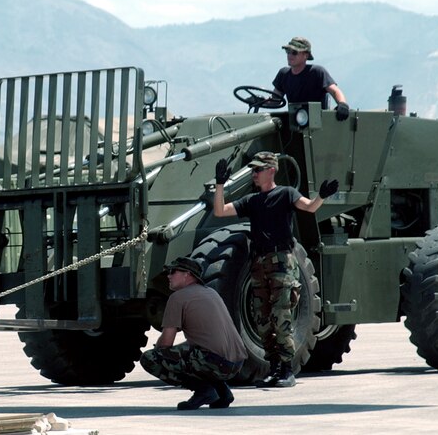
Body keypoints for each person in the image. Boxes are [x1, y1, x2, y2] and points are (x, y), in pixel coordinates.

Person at [213, 151, 338, 388]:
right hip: (259, 265)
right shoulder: (252, 201)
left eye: (258, 170)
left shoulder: (286, 194)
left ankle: (287, 370)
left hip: (282, 262)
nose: (254, 174)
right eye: (253, 170)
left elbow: (310, 208)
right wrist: (220, 184)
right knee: (263, 320)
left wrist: (322, 196)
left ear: (272, 170)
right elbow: (220, 211)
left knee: (281, 316)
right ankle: (274, 368)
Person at [140, 256, 247, 411]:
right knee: (192, 352)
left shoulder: (177, 298)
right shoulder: (211, 292)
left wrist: (159, 348)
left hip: (214, 362)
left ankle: (204, 391)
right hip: (236, 364)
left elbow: (166, 343)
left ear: (188, 274)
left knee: (150, 358)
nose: (168, 275)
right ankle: (222, 391)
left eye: (173, 271)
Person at [273, 36, 350, 121]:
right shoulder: (283, 74)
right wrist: (260, 100)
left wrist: (342, 104)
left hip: (317, 123)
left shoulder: (317, 72)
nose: (290, 55)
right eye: (288, 52)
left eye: (294, 52)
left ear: (305, 55)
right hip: (295, 121)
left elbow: (335, 91)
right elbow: (275, 100)